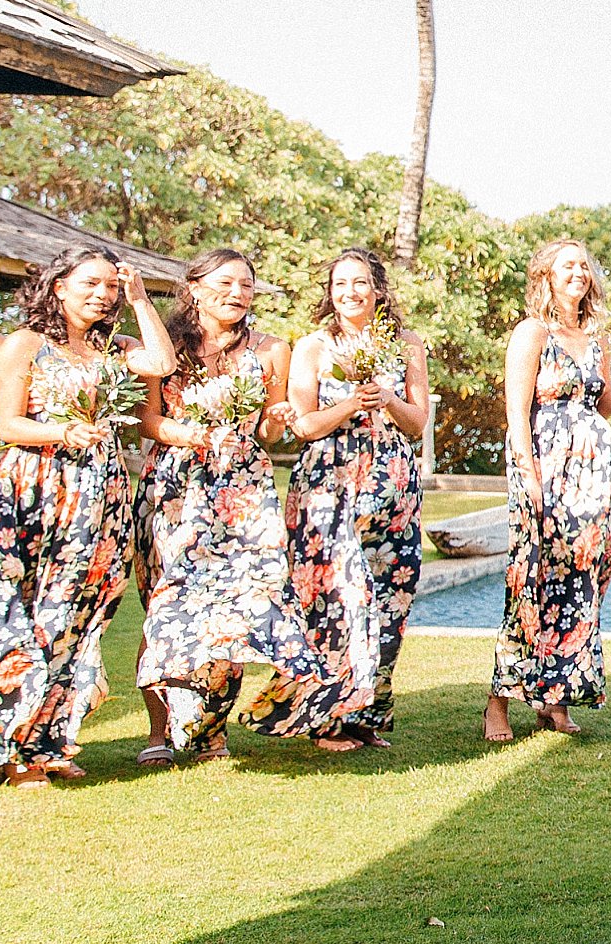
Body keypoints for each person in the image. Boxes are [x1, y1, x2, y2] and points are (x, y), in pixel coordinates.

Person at [135, 249, 370, 759]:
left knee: (242, 605)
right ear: (193, 287)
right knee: (167, 604)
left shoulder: (270, 349)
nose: (238, 293)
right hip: (177, 482)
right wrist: (189, 435)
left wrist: (279, 417)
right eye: (226, 283)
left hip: (244, 487)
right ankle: (158, 732)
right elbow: (147, 421)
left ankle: (207, 732)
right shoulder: (165, 346)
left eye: (246, 285)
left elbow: (266, 429)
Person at [0, 246, 176, 785]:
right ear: (58, 286)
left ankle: (52, 740)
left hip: (101, 492)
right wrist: (63, 431)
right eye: (90, 284)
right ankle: (13, 748)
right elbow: (8, 426)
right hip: (40, 488)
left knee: (80, 618)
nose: (102, 295)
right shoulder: (24, 344)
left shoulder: (111, 350)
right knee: (28, 614)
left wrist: (141, 300)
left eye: (109, 286)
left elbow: (162, 363)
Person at [485, 237, 611, 741]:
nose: (578, 272)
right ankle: (498, 702)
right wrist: (527, 475)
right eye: (567, 266)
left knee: (582, 584)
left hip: (598, 477)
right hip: (546, 469)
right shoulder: (532, 333)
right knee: (530, 580)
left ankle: (554, 701)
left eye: (584, 265)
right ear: (547, 277)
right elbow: (517, 413)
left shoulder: (597, 339)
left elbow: (599, 407)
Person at [288, 248, 431, 748]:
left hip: (392, 483)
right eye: (340, 283)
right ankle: (324, 719)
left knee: (391, 595)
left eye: (360, 282)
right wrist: (351, 403)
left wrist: (387, 398)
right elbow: (304, 426)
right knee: (332, 595)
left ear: (378, 289)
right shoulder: (312, 346)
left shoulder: (406, 343)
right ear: (330, 293)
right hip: (329, 484)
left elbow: (417, 425)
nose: (350, 292)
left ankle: (365, 716)